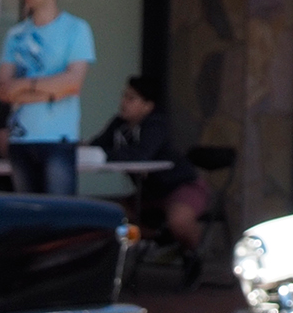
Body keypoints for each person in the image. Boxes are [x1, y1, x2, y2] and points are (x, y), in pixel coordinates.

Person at [88, 75, 209, 283]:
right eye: (124, 96)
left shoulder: (156, 125)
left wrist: (108, 154)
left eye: (131, 98)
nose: (123, 102)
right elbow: (96, 147)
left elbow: (141, 154)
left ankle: (192, 255)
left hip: (180, 187)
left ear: (147, 106)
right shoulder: (118, 125)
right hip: (149, 193)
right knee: (112, 215)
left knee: (178, 221)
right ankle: (159, 237)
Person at [0, 0, 95, 195]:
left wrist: (23, 86)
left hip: (58, 140)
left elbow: (72, 83)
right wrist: (50, 91)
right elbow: (2, 89)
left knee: (60, 213)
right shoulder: (15, 35)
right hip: (20, 140)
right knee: (27, 214)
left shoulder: (76, 29)